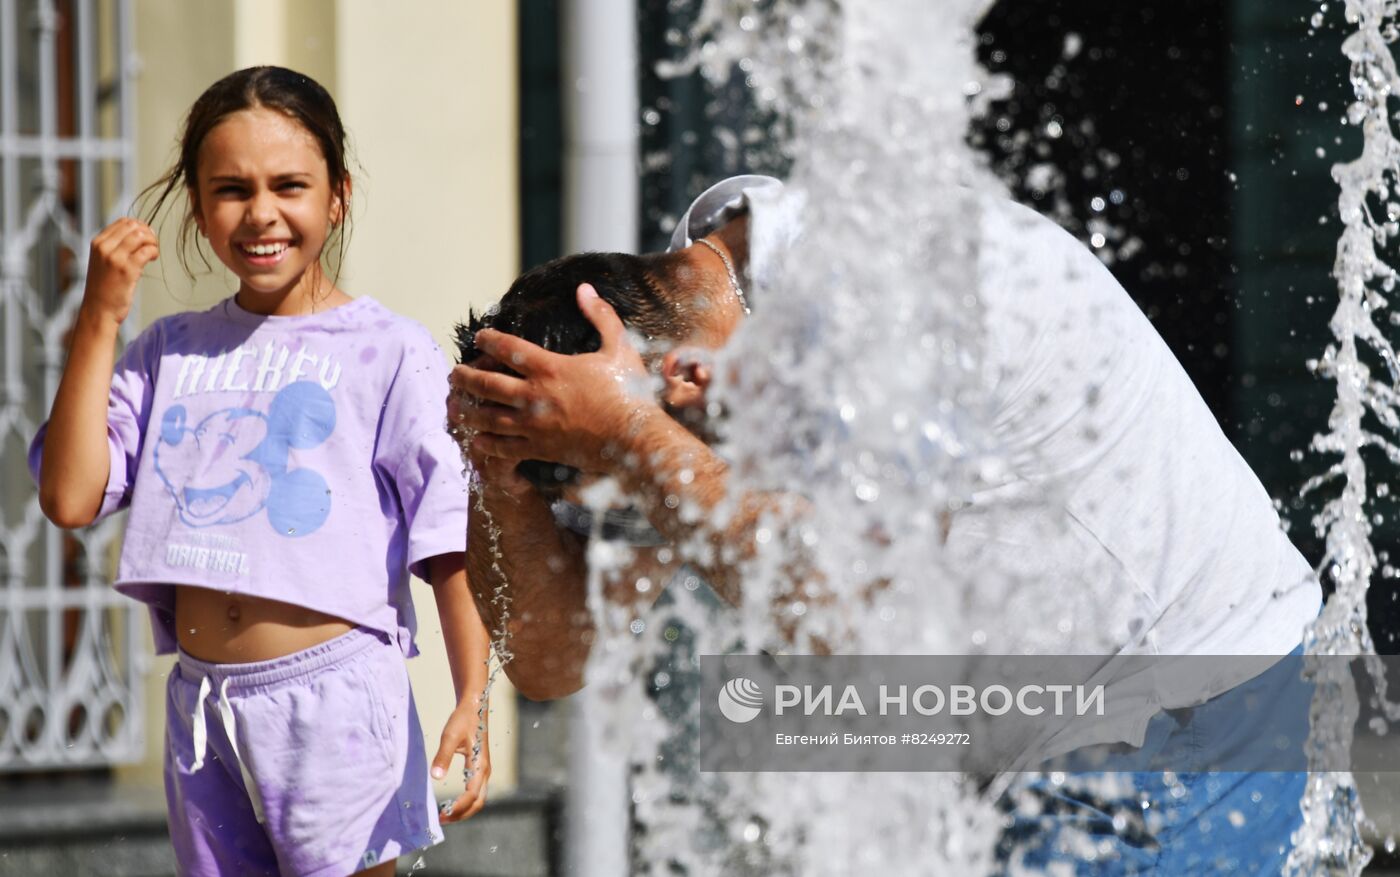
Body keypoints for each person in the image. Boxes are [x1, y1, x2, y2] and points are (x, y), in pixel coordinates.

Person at [451, 175, 1324, 871]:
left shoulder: (903, 295)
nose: (640, 506)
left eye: (615, 474)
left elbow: (848, 618)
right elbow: (551, 654)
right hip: (1053, 744)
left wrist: (630, 440)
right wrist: (501, 468)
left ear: (676, 381)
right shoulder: (693, 348)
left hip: (1193, 728)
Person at [31, 67, 490, 877]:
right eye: (232, 189)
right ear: (200, 206)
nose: (262, 213)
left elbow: (447, 539)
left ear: (337, 196)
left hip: (336, 704)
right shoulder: (168, 350)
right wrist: (99, 317)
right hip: (203, 706)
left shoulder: (388, 350)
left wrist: (473, 696)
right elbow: (70, 495)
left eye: (290, 185)